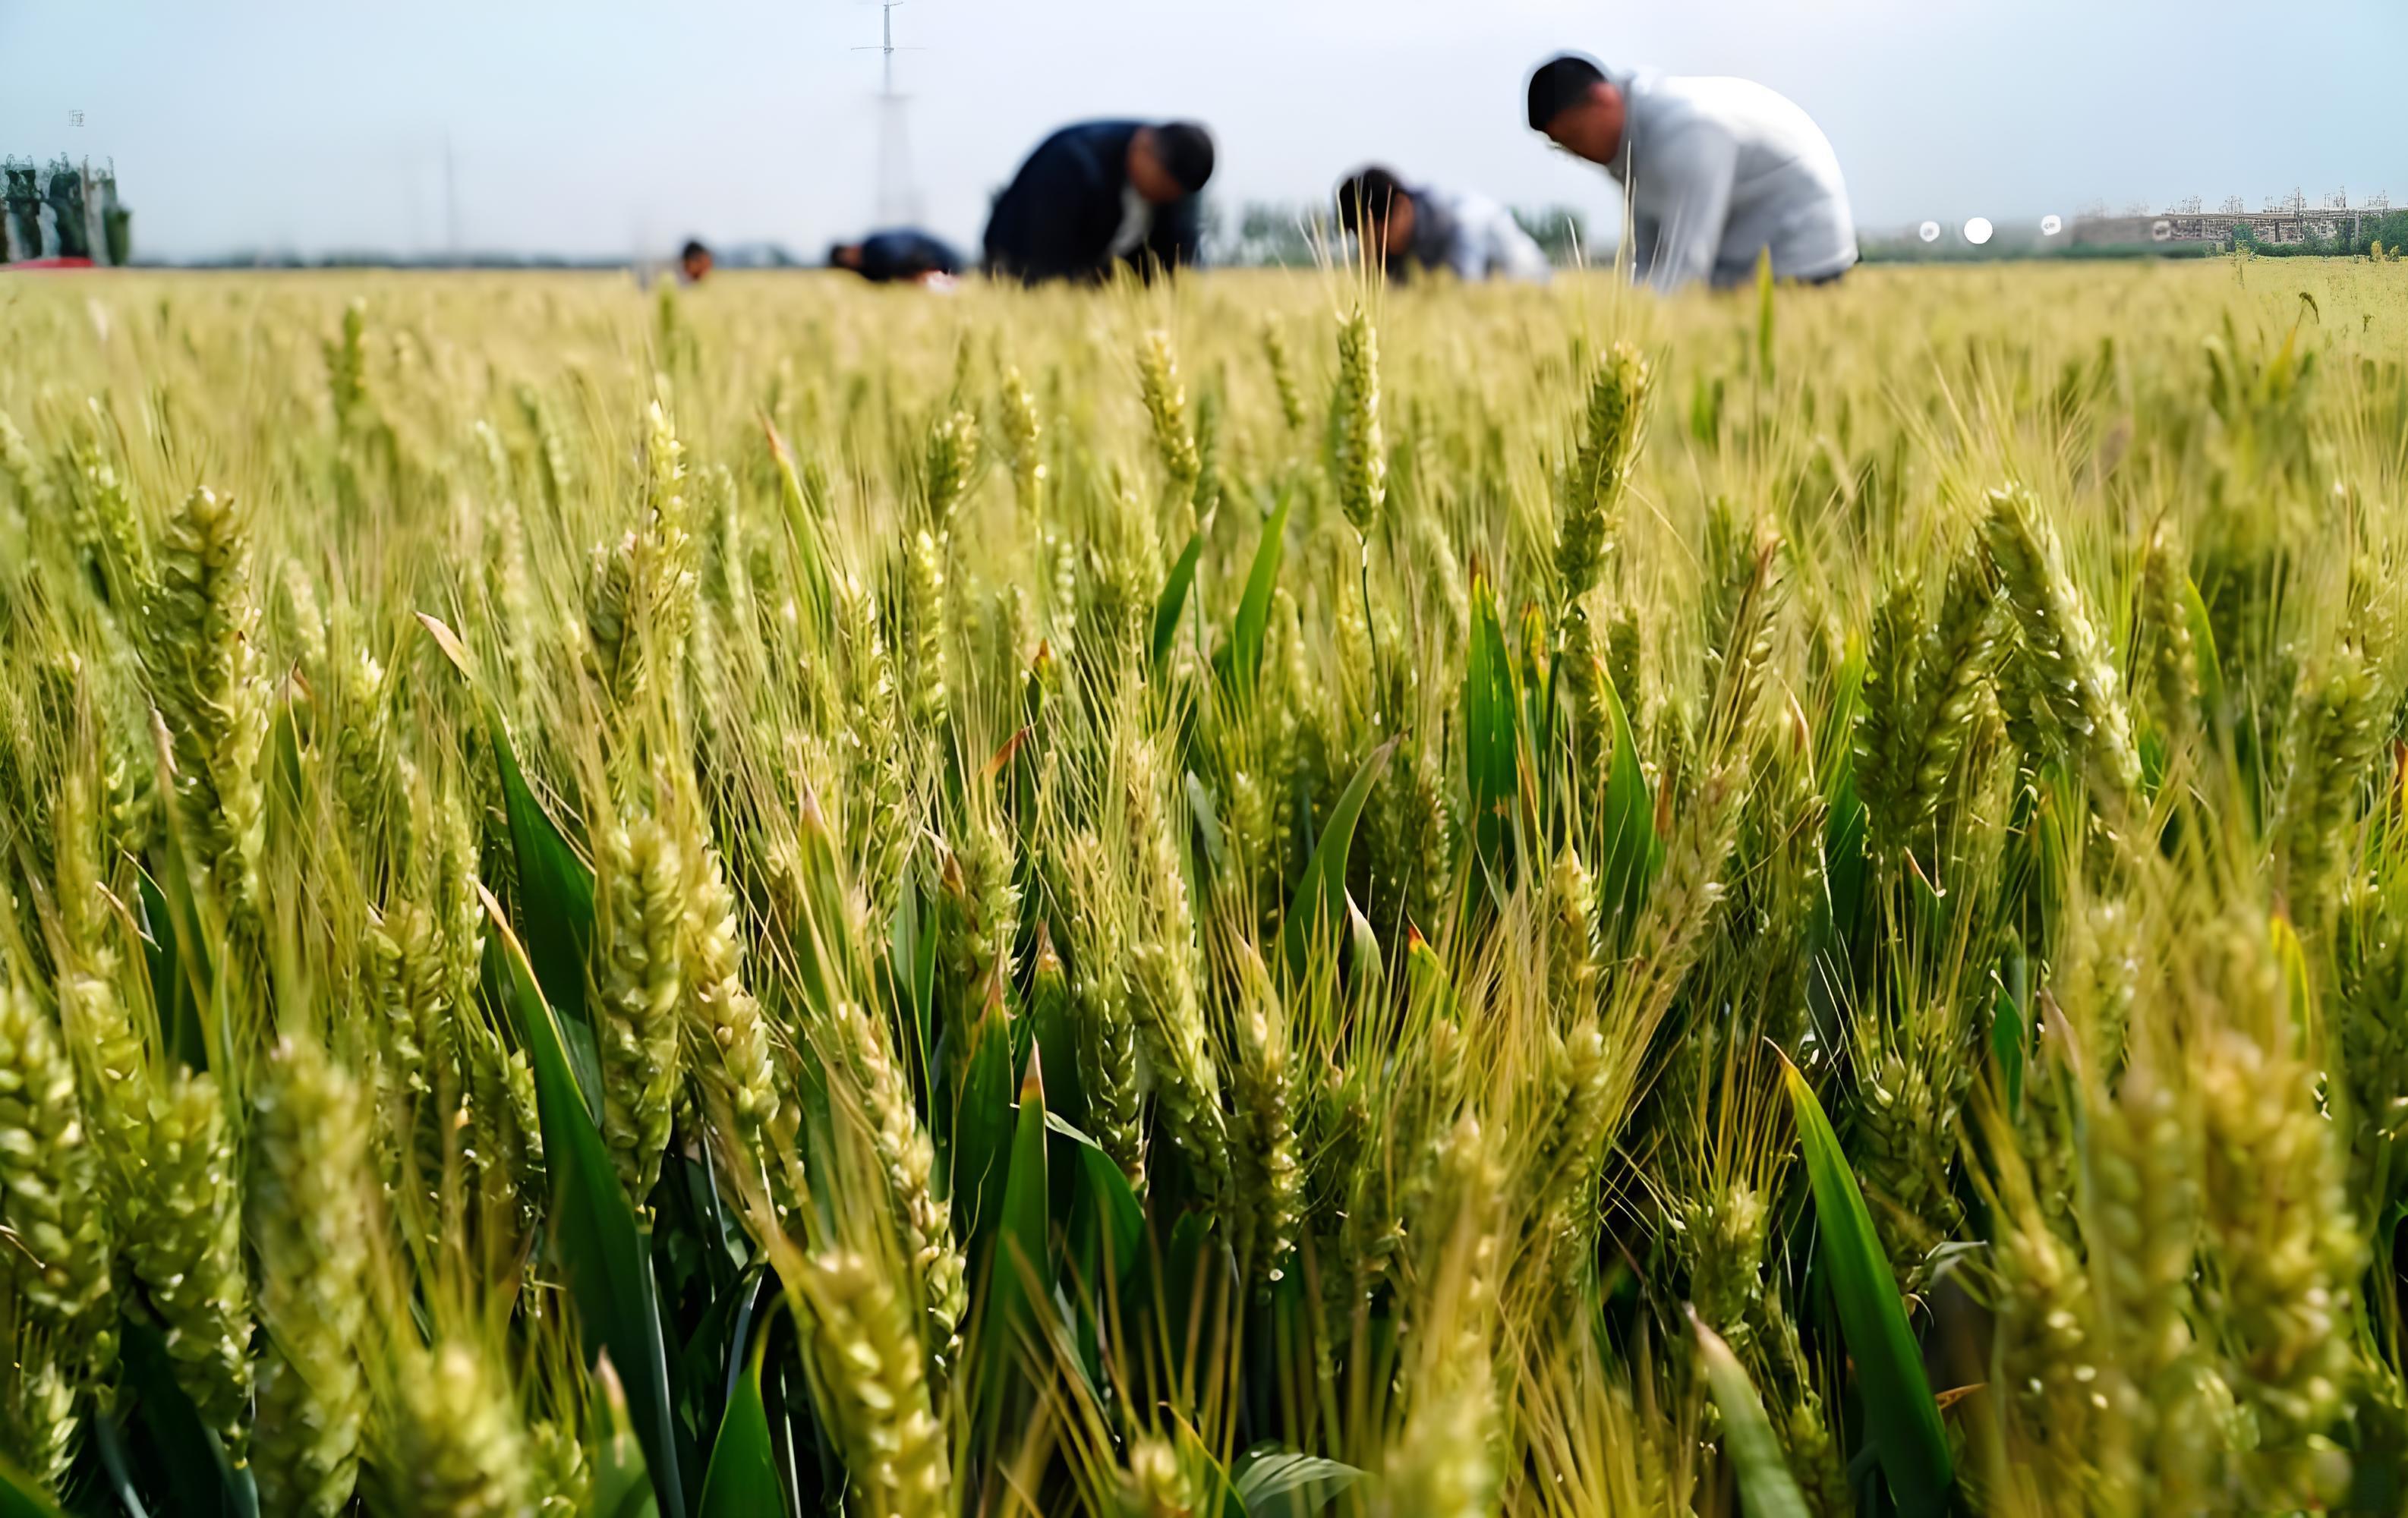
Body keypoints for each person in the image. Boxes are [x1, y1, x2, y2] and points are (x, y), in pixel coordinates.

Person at [1524, 53, 1855, 292]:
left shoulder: (1685, 132)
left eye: (1575, 136)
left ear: (1604, 99)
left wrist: (1634, 333)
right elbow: (1648, 254)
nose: (1578, 154)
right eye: (1564, 147)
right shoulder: (1633, 145)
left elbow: (1687, 264)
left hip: (1802, 253)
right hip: (1742, 260)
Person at [984, 120, 1214, 283]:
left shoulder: (1179, 182)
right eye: (1164, 186)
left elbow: (1179, 264)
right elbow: (1043, 266)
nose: (1169, 198)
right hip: (1017, 266)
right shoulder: (1071, 164)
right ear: (1143, 147)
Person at [1335, 165, 1551, 283]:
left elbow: (1467, 298)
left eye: (1377, 234)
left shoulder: (1464, 223)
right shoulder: (1401, 249)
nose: (1373, 247)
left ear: (1401, 207)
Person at [828, 229, 965, 285]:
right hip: (940, 270)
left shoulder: (875, 249)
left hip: (943, 265)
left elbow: (908, 256)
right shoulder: (868, 268)